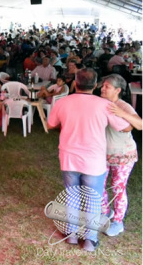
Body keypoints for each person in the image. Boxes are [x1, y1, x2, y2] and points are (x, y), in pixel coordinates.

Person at [47, 68, 130, 252]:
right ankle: (90, 241)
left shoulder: (63, 102)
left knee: (72, 196)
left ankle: (71, 235)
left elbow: (50, 124)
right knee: (93, 199)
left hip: (69, 157)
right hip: (94, 160)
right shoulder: (103, 105)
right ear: (95, 85)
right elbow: (124, 128)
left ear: (75, 83)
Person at [99, 74, 141, 237]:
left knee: (118, 188)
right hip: (103, 153)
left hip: (123, 154)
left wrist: (121, 113)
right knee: (99, 185)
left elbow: (139, 125)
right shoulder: (101, 103)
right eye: (103, 85)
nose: (102, 88)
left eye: (107, 86)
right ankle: (105, 212)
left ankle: (118, 221)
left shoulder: (123, 105)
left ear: (117, 90)